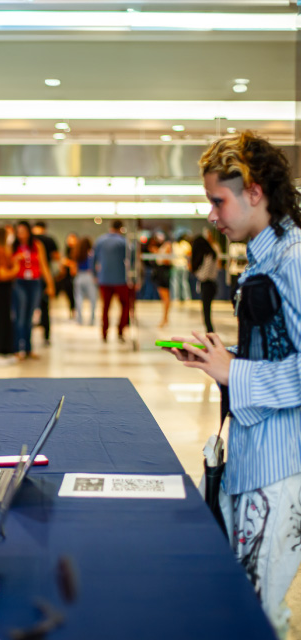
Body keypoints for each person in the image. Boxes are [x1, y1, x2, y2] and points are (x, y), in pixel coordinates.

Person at [164, 131, 301, 636]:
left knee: (258, 612)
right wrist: (220, 358)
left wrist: (233, 372)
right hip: (252, 454)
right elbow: (283, 351)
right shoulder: (265, 258)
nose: (212, 216)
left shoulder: (294, 260)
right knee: (239, 597)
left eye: (218, 201)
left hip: (280, 465)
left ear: (256, 192)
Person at [12, 221, 55, 359]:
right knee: (20, 316)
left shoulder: (37, 245)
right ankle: (18, 348)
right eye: (18, 232)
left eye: (23, 231)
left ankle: (29, 348)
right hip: (19, 282)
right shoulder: (13, 246)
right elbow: (7, 263)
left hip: (35, 283)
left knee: (30, 317)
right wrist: (16, 259)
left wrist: (50, 284)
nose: (21, 235)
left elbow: (44, 266)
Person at [93, 220, 130, 342]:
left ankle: (104, 333)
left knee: (105, 307)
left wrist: (95, 274)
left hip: (104, 279)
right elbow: (132, 259)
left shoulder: (100, 240)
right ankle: (120, 331)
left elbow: (93, 259)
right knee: (125, 305)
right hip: (120, 279)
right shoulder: (123, 242)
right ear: (120, 228)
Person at [0, 226, 19, 362]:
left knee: (4, 319)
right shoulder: (0, 251)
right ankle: (0, 351)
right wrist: (16, 268)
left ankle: (5, 350)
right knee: (2, 319)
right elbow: (3, 274)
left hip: (2, 288)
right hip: (1, 287)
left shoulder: (0, 250)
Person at [32, 221, 60, 345]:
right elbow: (56, 256)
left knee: (28, 308)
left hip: (31, 276)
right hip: (44, 275)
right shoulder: (49, 240)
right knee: (45, 307)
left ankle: (26, 338)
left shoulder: (30, 240)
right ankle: (46, 336)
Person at [191, 231, 220, 333]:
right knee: (206, 312)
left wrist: (197, 272)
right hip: (209, 284)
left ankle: (210, 334)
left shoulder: (209, 255)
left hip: (208, 284)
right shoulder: (212, 253)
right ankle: (210, 333)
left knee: (206, 312)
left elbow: (204, 275)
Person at [72, 236, 97, 326]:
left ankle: (79, 319)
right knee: (93, 299)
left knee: (79, 299)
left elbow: (74, 269)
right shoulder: (91, 254)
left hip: (79, 276)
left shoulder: (78, 253)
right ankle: (92, 319)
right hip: (89, 276)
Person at [152, 232, 173, 328]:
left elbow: (167, 260)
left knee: (165, 297)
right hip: (161, 271)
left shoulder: (168, 246)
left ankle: (165, 318)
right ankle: (165, 318)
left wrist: (158, 254)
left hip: (163, 272)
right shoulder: (164, 246)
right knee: (163, 296)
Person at [56, 233, 78, 319]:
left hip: (74, 276)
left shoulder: (77, 250)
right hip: (67, 276)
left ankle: (75, 310)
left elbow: (75, 264)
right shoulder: (67, 250)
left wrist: (69, 263)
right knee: (69, 294)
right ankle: (72, 310)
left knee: (75, 294)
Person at [170, 234, 192, 302]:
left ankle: (176, 297)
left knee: (176, 282)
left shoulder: (174, 244)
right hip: (182, 265)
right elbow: (189, 255)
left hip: (177, 265)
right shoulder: (185, 244)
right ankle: (186, 297)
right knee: (184, 281)